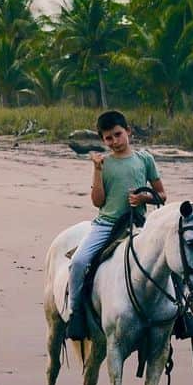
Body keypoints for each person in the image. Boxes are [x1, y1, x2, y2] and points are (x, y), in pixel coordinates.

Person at [66, 109, 167, 340]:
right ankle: (75, 312)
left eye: (118, 134)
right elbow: (97, 201)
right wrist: (97, 170)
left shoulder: (145, 159)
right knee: (79, 262)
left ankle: (179, 311)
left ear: (128, 131)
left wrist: (144, 198)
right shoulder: (105, 163)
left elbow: (161, 195)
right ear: (102, 140)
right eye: (108, 138)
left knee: (166, 258)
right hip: (106, 225)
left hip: (139, 223)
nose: (115, 141)